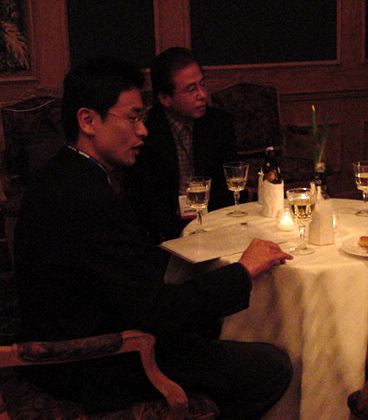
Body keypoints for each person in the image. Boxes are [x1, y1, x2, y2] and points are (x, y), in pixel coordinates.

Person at [14, 56, 293, 419]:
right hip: (93, 361)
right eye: (132, 118)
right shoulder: (87, 198)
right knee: (270, 365)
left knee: (218, 325)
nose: (143, 130)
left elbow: (126, 271)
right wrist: (242, 271)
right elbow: (156, 310)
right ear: (88, 121)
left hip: (85, 331)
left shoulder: (66, 174)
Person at [125, 47, 238, 247]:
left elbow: (226, 189)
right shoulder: (146, 131)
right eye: (191, 89)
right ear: (165, 98)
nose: (202, 95)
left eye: (202, 84)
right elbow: (145, 198)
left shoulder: (219, 124)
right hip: (164, 232)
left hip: (214, 225)